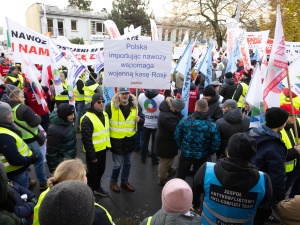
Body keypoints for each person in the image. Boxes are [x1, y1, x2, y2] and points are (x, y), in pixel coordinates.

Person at [193, 133, 272, 225]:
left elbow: (195, 191)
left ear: (227, 151)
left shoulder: (207, 170)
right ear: (252, 154)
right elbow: (264, 204)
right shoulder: (263, 180)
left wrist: (196, 204)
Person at [33, 159, 114, 225]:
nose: (86, 178)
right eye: (85, 175)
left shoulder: (45, 195)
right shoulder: (92, 209)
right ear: (80, 181)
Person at [246, 107, 289, 223]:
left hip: (245, 184)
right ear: (281, 123)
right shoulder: (275, 146)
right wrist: (279, 196)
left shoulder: (251, 133)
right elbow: (277, 175)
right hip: (262, 192)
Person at [105, 87, 143, 193]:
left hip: (130, 140)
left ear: (130, 93)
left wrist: (140, 120)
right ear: (118, 94)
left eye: (126, 93)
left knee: (128, 162)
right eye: (122, 93)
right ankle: (113, 181)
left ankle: (124, 181)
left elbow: (142, 120)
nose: (125, 95)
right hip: (116, 141)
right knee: (118, 164)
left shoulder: (135, 105)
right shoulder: (110, 106)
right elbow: (105, 123)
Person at [8, 89, 48, 190]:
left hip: (19, 141)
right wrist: (38, 116)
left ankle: (28, 180)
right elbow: (35, 122)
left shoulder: (7, 109)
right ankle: (43, 182)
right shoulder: (23, 108)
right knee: (39, 161)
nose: (24, 98)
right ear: (15, 97)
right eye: (22, 96)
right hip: (31, 140)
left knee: (24, 164)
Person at [174, 99, 220, 180]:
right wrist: (208, 152)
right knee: (198, 177)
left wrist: (182, 147)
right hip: (202, 156)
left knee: (181, 175)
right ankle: (196, 192)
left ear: (196, 107)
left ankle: (178, 191)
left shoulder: (185, 120)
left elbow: (177, 135)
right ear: (207, 109)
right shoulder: (212, 125)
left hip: (186, 153)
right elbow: (216, 143)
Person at [0, 101, 38, 188]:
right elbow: (15, 160)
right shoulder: (3, 136)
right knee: (23, 195)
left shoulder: (5, 128)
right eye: (10, 112)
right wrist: (31, 159)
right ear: (4, 115)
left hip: (17, 171)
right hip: (15, 172)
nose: (12, 113)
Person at [81, 93, 111, 196]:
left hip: (103, 149)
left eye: (103, 102)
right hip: (93, 152)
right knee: (92, 174)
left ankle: (97, 187)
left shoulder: (105, 114)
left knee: (101, 171)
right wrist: (92, 156)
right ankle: (89, 191)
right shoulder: (87, 118)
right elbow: (86, 140)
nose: (102, 104)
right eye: (99, 102)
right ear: (93, 104)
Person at [155, 94, 185, 185]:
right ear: (175, 107)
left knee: (169, 158)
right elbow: (177, 129)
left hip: (168, 141)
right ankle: (162, 178)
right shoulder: (167, 116)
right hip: (165, 143)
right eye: (179, 109)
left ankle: (170, 169)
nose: (180, 111)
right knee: (165, 161)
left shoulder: (171, 110)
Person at [46, 103, 76, 173]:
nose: (73, 117)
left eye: (73, 114)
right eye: (70, 115)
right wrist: (54, 171)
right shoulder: (54, 131)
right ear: (64, 114)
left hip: (69, 160)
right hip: (62, 165)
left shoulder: (68, 121)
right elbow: (51, 153)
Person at [138, 89, 164, 164]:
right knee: (155, 143)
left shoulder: (141, 96)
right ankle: (154, 159)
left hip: (145, 123)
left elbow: (139, 108)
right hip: (156, 124)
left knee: (144, 141)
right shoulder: (161, 97)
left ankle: (142, 157)